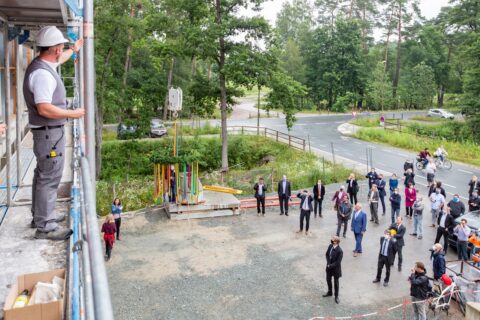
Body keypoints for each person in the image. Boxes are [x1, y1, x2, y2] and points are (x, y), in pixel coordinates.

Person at [25, 26, 85, 240]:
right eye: (61, 47)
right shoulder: (42, 75)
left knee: (43, 176)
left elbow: (61, 59)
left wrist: (75, 49)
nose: (62, 50)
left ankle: (41, 216)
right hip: (49, 133)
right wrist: (73, 113)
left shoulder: (43, 64)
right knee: (49, 178)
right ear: (54, 49)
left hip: (48, 133)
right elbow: (44, 107)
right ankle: (45, 226)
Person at [323, 236, 343, 304]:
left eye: (332, 239)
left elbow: (338, 262)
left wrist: (330, 265)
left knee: (336, 283)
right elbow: (327, 255)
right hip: (329, 267)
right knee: (328, 279)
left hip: (335, 269)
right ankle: (330, 292)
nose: (331, 240)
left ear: (336, 242)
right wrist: (328, 263)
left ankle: (336, 296)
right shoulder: (330, 246)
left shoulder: (340, 251)